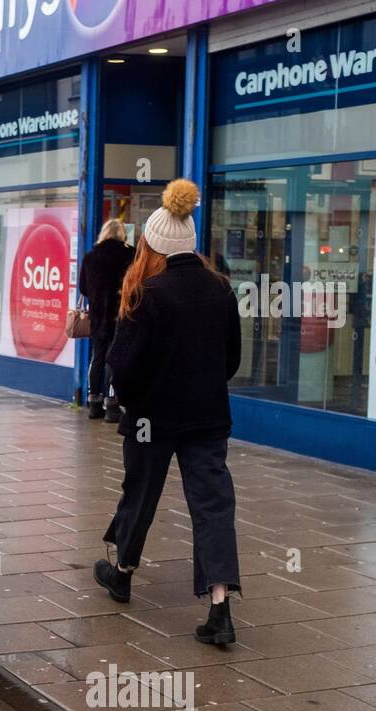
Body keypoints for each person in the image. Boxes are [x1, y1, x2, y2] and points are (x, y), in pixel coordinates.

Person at [93, 179, 243, 647]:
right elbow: (231, 359)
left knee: (140, 494)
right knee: (213, 506)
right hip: (207, 415)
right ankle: (220, 608)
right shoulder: (220, 289)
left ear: (152, 244)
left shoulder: (148, 293)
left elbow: (121, 363)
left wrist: (134, 399)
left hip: (151, 418)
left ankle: (123, 571)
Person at [77, 218, 134, 421]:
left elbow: (83, 288)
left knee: (98, 356)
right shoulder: (130, 254)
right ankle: (112, 404)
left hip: (98, 315)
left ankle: (94, 402)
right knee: (115, 358)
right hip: (120, 314)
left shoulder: (91, 257)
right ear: (122, 234)